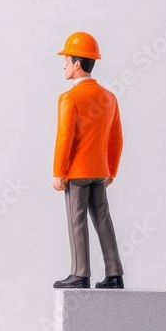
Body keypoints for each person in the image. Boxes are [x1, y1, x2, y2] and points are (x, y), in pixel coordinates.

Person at [51, 32, 125, 289]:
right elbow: (116, 138)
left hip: (77, 173)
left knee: (77, 220)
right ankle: (114, 274)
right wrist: (111, 170)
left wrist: (59, 172)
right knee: (103, 219)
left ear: (77, 63)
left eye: (66, 61)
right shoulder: (109, 97)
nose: (64, 66)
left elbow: (64, 139)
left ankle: (80, 274)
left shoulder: (69, 98)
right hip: (100, 171)